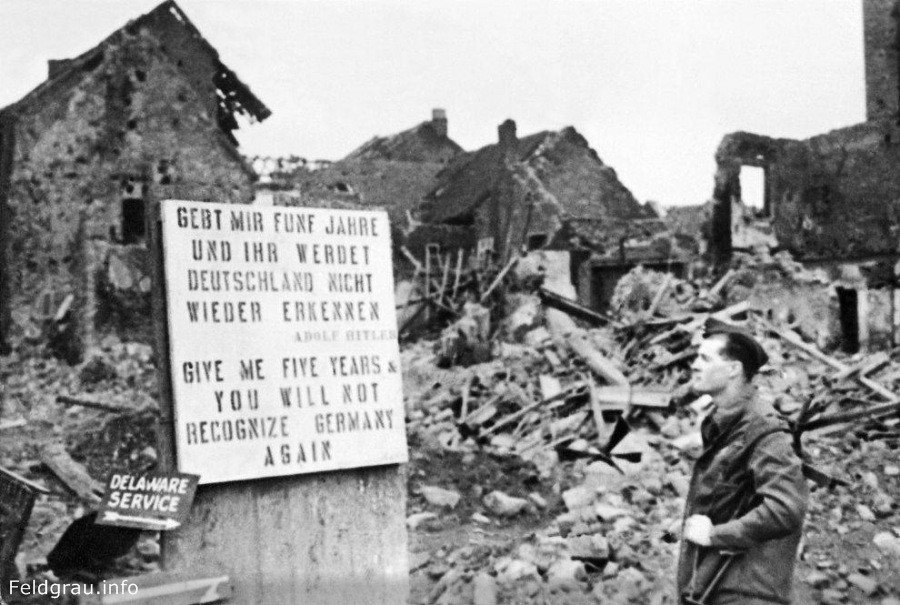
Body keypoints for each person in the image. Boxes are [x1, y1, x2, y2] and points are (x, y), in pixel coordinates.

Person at [678, 319, 808, 605]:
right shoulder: (725, 423)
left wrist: (715, 535)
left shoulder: (762, 429)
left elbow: (786, 509)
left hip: (747, 594)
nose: (695, 365)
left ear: (733, 369)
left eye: (705, 358)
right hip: (714, 587)